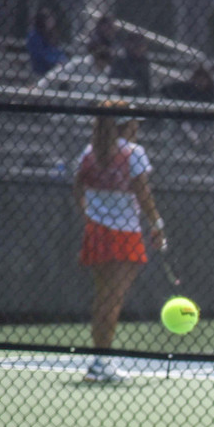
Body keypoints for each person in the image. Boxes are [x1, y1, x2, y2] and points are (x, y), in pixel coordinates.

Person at [71, 101, 165, 383]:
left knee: (104, 298)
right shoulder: (133, 153)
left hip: (96, 233)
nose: (138, 126)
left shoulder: (89, 152)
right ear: (126, 124)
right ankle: (101, 363)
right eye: (134, 122)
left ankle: (100, 360)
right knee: (112, 301)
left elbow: (77, 188)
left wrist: (90, 214)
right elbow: (143, 192)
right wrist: (157, 225)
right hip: (123, 235)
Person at [36, 44, 114, 95]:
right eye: (104, 62)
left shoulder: (106, 70)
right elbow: (56, 74)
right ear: (98, 59)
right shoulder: (79, 63)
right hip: (74, 104)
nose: (105, 66)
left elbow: (105, 90)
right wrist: (39, 86)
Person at [26, 7, 68, 77]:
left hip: (55, 69)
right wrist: (55, 61)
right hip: (41, 70)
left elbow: (58, 51)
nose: (52, 22)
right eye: (49, 20)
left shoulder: (51, 35)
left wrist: (62, 59)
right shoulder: (35, 36)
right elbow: (40, 54)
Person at [111, 32, 152, 97]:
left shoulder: (144, 61)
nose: (139, 49)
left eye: (141, 46)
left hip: (140, 95)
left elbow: (146, 84)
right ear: (128, 44)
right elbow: (115, 79)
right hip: (122, 94)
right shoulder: (121, 59)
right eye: (137, 46)